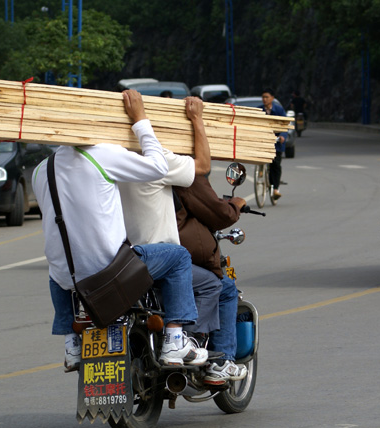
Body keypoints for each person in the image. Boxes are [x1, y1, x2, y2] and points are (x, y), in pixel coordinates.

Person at [32, 90, 208, 372]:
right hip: (111, 270)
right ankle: (175, 339)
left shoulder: (42, 170)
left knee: (56, 269)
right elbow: (158, 166)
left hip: (71, 281)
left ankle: (71, 343)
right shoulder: (103, 155)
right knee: (178, 257)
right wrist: (140, 119)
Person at [118, 95, 223, 351]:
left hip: (121, 262)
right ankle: (188, 343)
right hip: (158, 261)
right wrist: (197, 119)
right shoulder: (157, 161)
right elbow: (203, 165)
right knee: (215, 284)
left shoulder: (112, 161)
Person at [174, 175, 248, 385]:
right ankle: (221, 361)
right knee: (222, 286)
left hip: (124, 259)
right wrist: (234, 205)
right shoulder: (182, 174)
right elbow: (218, 214)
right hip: (166, 257)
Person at [260, 88, 287, 200]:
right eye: (263, 97)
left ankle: (275, 189)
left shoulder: (279, 110)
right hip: (263, 140)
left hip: (276, 142)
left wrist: (282, 137)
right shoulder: (259, 110)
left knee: (275, 165)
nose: (265, 99)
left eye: (267, 97)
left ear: (272, 98)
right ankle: (261, 170)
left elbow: (285, 125)